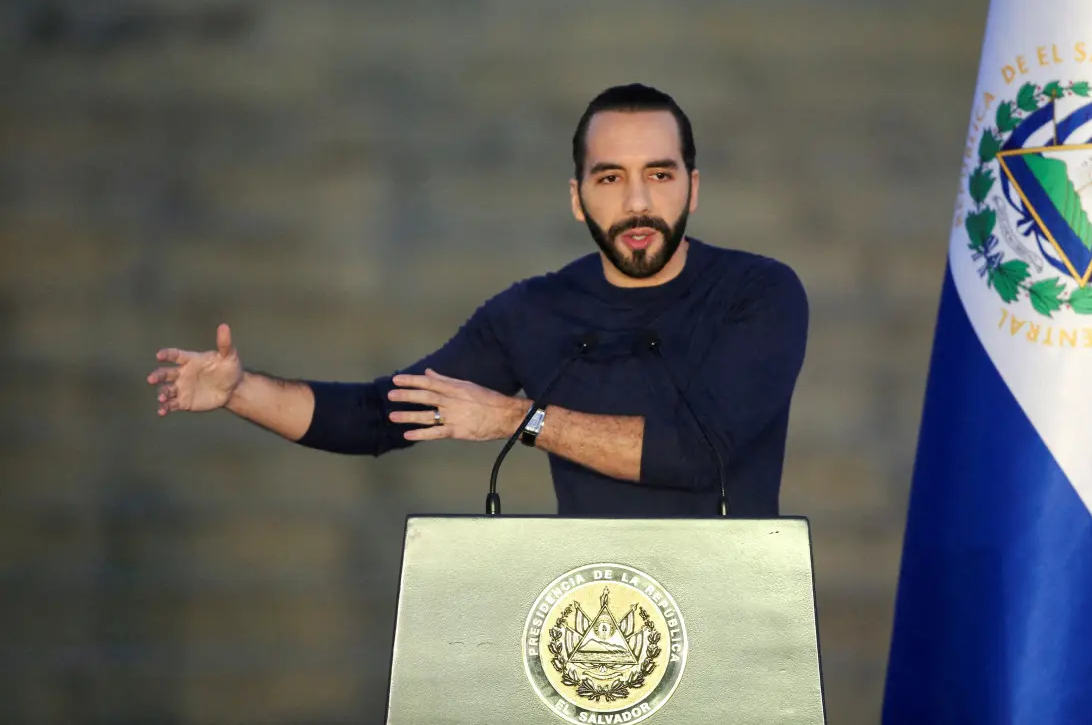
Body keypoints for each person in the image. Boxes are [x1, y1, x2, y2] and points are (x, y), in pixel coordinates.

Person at [147, 83, 809, 517]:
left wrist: (517, 419)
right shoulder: (535, 312)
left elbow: (697, 453)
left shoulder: (758, 294)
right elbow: (380, 417)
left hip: (732, 620)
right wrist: (240, 392)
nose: (637, 203)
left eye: (658, 175)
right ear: (578, 199)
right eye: (610, 178)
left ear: (692, 189)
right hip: (589, 624)